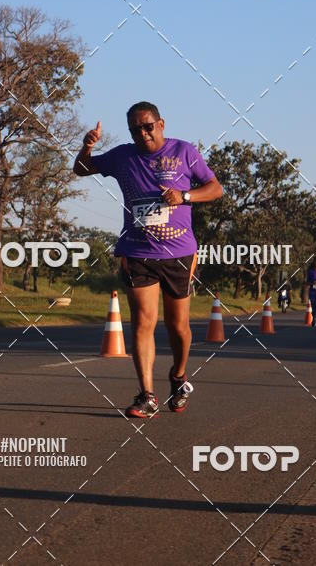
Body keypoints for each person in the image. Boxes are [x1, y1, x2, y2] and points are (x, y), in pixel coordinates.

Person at [73, 102, 223, 418]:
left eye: (147, 126)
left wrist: (184, 196)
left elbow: (214, 188)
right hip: (137, 251)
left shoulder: (184, 151)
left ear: (161, 123)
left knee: (177, 325)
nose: (142, 133)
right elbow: (82, 169)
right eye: (135, 129)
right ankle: (147, 395)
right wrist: (86, 148)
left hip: (179, 252)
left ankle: (179, 376)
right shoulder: (122, 156)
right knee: (143, 321)